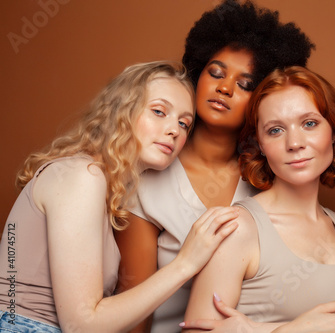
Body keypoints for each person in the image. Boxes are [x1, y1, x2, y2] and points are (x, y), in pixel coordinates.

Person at [114, 1, 315, 332]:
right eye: (216, 73)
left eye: (245, 84)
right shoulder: (147, 180)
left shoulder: (269, 179)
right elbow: (133, 310)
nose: (225, 88)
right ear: (197, 73)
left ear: (263, 97)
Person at [0, 61, 240, 332]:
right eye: (159, 111)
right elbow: (82, 326)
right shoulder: (83, 176)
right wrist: (186, 263)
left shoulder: (105, 188)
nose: (174, 130)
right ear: (121, 110)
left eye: (184, 123)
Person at [182, 66, 335, 333]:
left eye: (309, 123)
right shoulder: (237, 229)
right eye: (275, 130)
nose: (294, 143)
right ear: (259, 143)